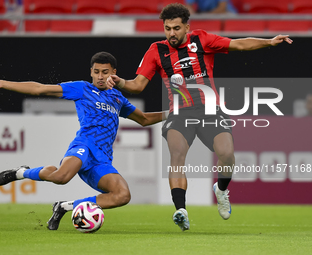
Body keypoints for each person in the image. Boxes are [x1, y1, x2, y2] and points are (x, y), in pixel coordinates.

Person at [106, 3, 292, 231]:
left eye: (176, 28)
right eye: (167, 29)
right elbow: (137, 85)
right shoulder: (156, 50)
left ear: (187, 27)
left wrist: (269, 42)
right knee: (177, 153)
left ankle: (221, 189)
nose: (171, 33)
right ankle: (180, 210)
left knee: (227, 154)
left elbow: (240, 44)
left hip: (211, 110)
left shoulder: (202, 40)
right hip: (179, 112)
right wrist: (121, 82)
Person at [0, 51, 167, 231]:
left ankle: (64, 206)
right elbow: (40, 88)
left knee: (122, 195)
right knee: (61, 177)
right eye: (96, 72)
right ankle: (21, 172)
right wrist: (3, 83)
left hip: (102, 160)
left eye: (105, 72)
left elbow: (143, 119)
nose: (100, 76)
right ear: (91, 72)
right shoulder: (82, 88)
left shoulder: (118, 98)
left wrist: (172, 113)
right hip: (84, 146)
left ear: (114, 73)